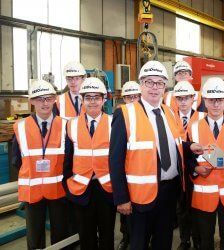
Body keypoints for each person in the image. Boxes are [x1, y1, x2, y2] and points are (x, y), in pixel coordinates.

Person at [109, 60, 201, 250]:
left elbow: (171, 144)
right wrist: (121, 198)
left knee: (163, 242)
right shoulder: (125, 114)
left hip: (169, 193)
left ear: (165, 87)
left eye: (159, 83)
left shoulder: (169, 112)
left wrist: (190, 146)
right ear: (141, 84)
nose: (154, 88)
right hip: (138, 198)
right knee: (139, 244)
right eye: (149, 82)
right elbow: (115, 160)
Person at [187, 77, 224, 250]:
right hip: (204, 194)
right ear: (204, 100)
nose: (215, 104)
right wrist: (195, 168)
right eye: (211, 100)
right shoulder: (194, 127)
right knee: (204, 240)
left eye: (220, 100)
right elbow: (187, 158)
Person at [12, 79, 69, 249]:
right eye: (39, 99)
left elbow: (70, 158)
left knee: (60, 233)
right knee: (35, 235)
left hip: (58, 189)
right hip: (33, 190)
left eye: (48, 98)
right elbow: (16, 159)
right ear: (31, 102)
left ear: (54, 100)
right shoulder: (20, 127)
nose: (44, 103)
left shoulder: (66, 125)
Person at [63, 77, 115, 250]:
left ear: (103, 99)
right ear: (82, 100)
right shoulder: (71, 125)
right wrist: (68, 187)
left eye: (96, 97)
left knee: (107, 235)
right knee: (86, 237)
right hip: (81, 191)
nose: (92, 101)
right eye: (88, 97)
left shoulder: (114, 123)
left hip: (107, 189)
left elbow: (120, 159)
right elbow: (67, 160)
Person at [173, 80, 205, 250]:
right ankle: (185, 240)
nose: (183, 101)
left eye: (187, 98)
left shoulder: (202, 117)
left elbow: (206, 144)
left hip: (197, 171)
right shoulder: (168, 117)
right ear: (175, 100)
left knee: (197, 208)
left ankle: (197, 239)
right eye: (180, 98)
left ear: (194, 98)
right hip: (177, 172)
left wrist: (195, 168)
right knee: (181, 208)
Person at [117, 80, 141, 250]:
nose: (132, 100)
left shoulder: (147, 116)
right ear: (123, 99)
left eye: (135, 97)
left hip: (141, 175)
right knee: (125, 213)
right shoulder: (120, 116)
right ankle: (125, 237)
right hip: (126, 173)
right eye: (129, 97)